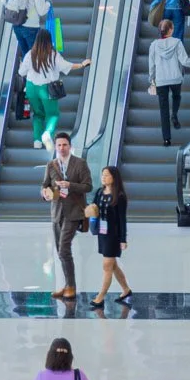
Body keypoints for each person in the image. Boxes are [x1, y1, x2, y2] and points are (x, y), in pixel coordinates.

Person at [40, 131, 93, 300]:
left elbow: (88, 186)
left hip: (73, 212)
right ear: (55, 147)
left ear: (70, 146)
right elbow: (44, 186)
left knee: (64, 248)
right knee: (60, 251)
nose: (62, 148)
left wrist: (70, 185)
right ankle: (67, 285)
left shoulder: (80, 164)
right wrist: (46, 193)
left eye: (65, 145)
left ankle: (71, 286)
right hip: (57, 212)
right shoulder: (51, 165)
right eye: (59, 145)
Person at [19, 31, 86, 150]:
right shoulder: (53, 55)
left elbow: (21, 73)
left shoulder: (30, 54)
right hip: (47, 89)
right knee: (53, 114)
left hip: (31, 88)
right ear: (49, 41)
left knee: (38, 115)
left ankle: (37, 141)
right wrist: (81, 64)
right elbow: (67, 66)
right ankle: (47, 134)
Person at [147, 19, 190, 147]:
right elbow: (185, 61)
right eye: (172, 27)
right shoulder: (177, 43)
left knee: (163, 110)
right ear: (170, 30)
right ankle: (174, 114)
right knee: (176, 96)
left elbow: (151, 66)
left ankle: (166, 139)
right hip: (175, 78)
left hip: (161, 81)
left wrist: (151, 79)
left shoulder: (153, 45)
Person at [88, 165, 131, 308]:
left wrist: (123, 239)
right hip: (102, 232)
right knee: (113, 265)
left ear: (114, 178)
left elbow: (122, 220)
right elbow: (93, 207)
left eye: (106, 175)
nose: (103, 177)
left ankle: (100, 297)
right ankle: (126, 289)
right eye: (102, 175)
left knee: (107, 265)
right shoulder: (99, 192)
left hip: (113, 235)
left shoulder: (119, 196)